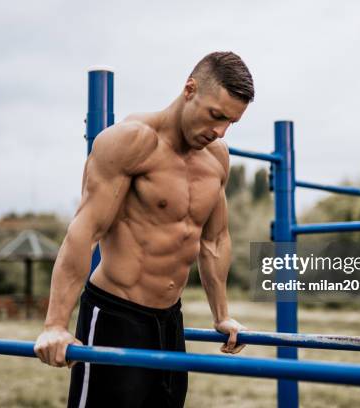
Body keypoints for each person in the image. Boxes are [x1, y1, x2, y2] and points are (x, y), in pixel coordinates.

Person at [34, 51, 254, 408]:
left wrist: (222, 314)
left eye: (231, 122)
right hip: (115, 315)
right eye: (216, 115)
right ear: (189, 89)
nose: (219, 131)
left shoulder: (217, 157)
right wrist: (55, 324)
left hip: (170, 321)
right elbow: (84, 231)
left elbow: (213, 239)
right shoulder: (131, 142)